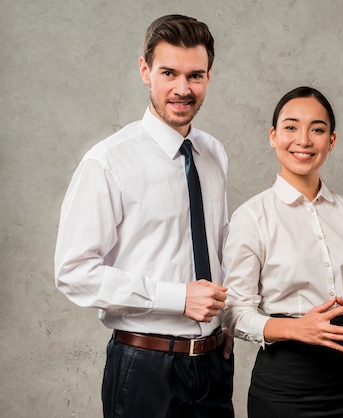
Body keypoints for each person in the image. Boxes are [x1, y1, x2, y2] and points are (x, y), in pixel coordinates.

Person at [54, 14, 234, 418]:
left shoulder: (214, 154)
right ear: (145, 70)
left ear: (209, 76)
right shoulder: (107, 162)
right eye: (169, 73)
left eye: (195, 75)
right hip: (145, 367)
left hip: (213, 364)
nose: (182, 89)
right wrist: (177, 297)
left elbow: (219, 246)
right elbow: (73, 271)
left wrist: (227, 322)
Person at [223, 86, 343, 417]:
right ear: (273, 136)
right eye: (291, 127)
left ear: (331, 141)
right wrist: (297, 329)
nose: (304, 140)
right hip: (283, 386)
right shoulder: (252, 217)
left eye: (317, 129)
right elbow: (235, 313)